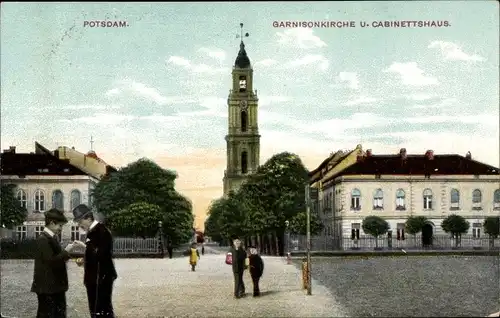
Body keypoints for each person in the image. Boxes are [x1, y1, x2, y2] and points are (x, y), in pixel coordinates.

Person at [72, 204, 117, 318]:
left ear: (88, 218)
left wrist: (85, 248)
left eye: (79, 221)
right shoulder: (93, 231)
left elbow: (102, 255)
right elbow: (94, 255)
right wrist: (83, 260)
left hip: (101, 278)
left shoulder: (102, 231)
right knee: (96, 309)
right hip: (94, 278)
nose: (78, 225)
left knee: (102, 310)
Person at [31, 208, 76, 318]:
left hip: (54, 287)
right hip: (48, 289)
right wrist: (66, 251)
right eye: (59, 226)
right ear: (51, 223)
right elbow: (51, 262)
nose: (60, 229)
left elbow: (55, 259)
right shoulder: (43, 239)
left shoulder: (51, 238)